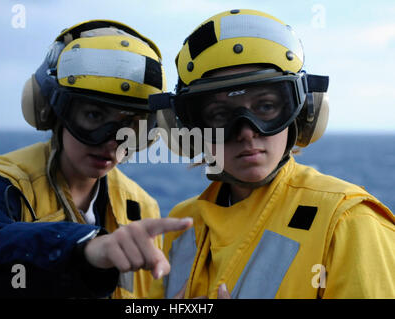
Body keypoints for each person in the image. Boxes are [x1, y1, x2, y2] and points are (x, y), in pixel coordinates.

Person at [149, 9, 395, 299]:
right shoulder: (181, 225)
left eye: (265, 107)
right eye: (219, 114)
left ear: (302, 112)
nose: (246, 132)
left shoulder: (347, 222)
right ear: (188, 128)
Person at [0, 20, 192, 298]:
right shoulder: (7, 184)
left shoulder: (140, 204)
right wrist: (85, 247)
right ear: (53, 109)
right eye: (94, 116)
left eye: (131, 126)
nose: (112, 142)